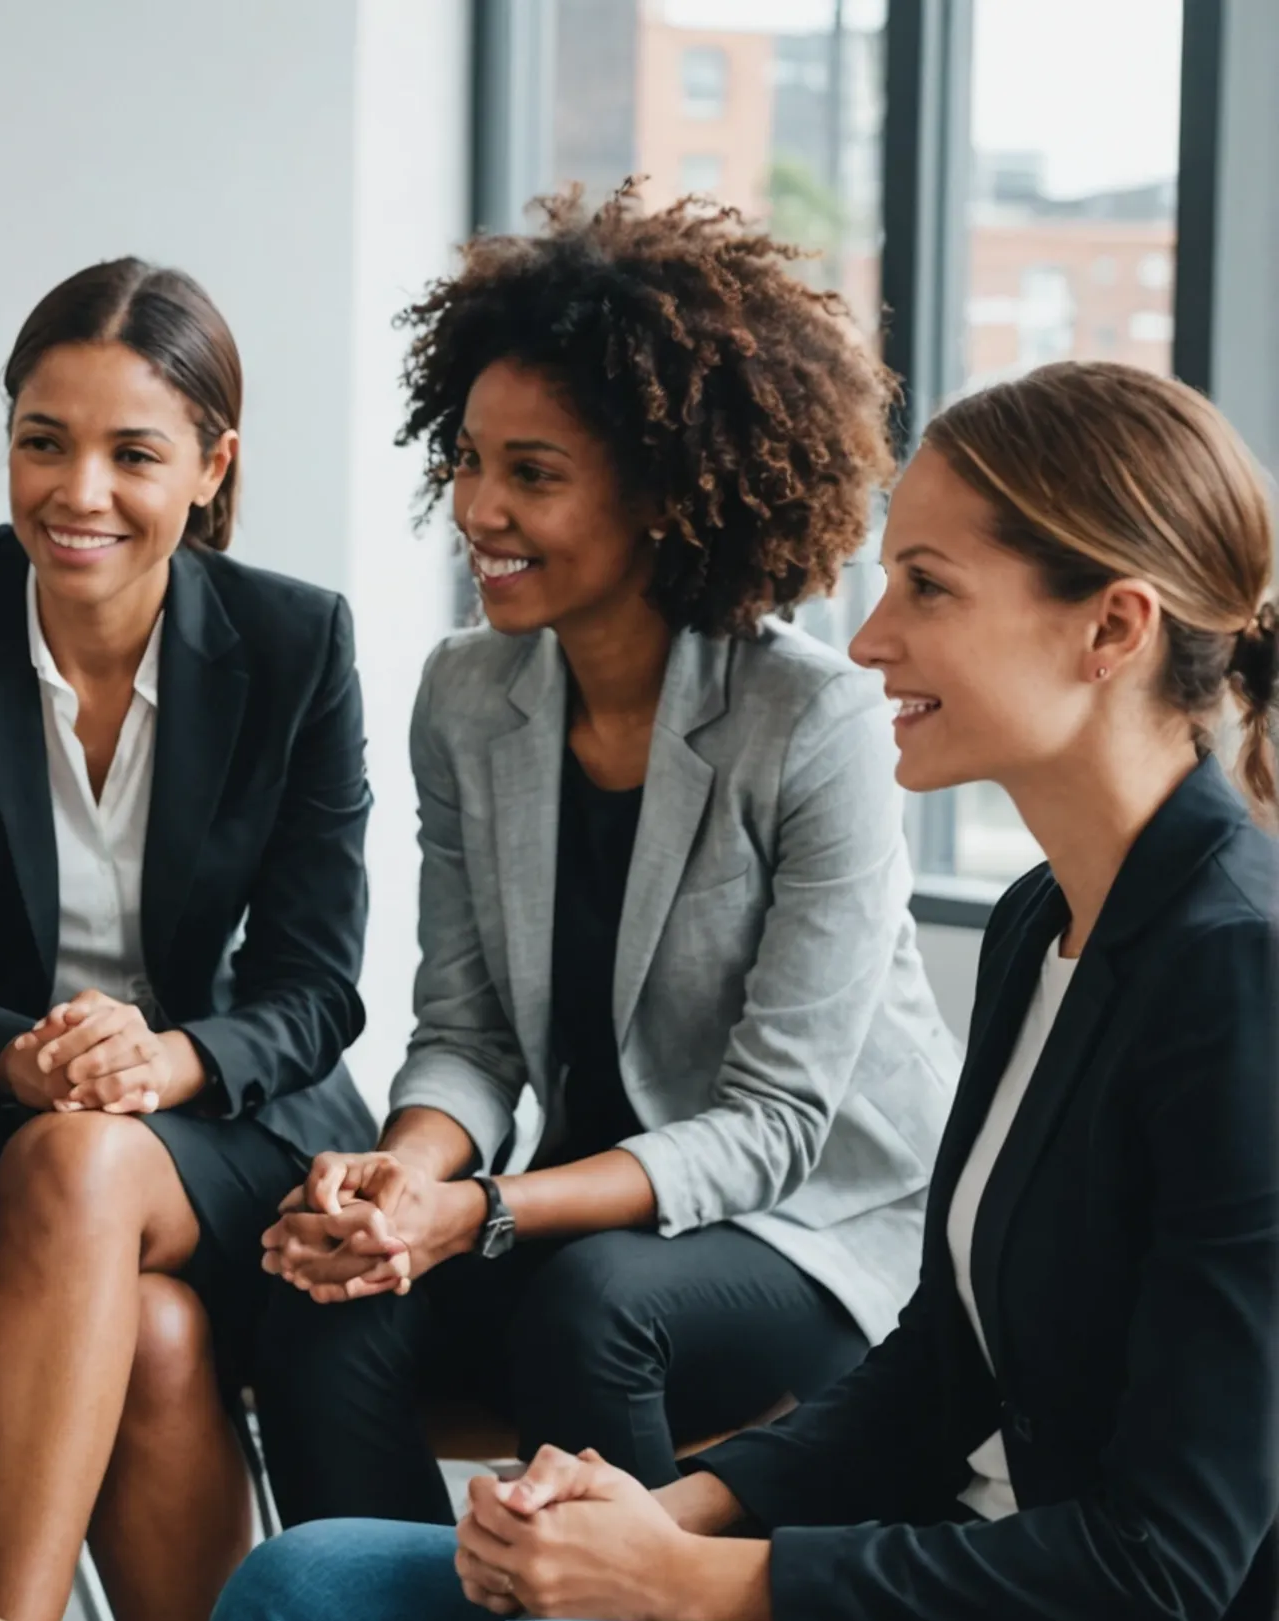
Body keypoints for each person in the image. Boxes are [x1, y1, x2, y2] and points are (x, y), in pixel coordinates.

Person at [213, 358, 1278, 1621]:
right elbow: (940, 1368)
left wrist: (702, 1584)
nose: (876, 636)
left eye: (930, 587)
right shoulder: (1044, 920)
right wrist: (657, 1517)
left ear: (1112, 628)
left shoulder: (1234, 975)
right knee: (296, 1597)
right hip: (920, 1558)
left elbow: (1164, 1562)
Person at [252, 188, 958, 1520]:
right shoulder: (469, 694)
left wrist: (488, 1209)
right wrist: (407, 1177)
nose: (478, 508)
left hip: (823, 1230)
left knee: (592, 1310)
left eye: (534, 474)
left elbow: (774, 1127)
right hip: (596, 1215)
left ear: (661, 493)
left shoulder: (815, 722)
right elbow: (467, 1032)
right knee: (322, 1292)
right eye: (468, 459)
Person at [0, 258, 375, 1621]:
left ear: (212, 465)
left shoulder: (295, 640)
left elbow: (320, 985)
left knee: (89, 1164)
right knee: (152, 1325)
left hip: (232, 1125)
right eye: (41, 438)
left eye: (134, 451)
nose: (80, 489)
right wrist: (26, 1059)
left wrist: (165, 1062)